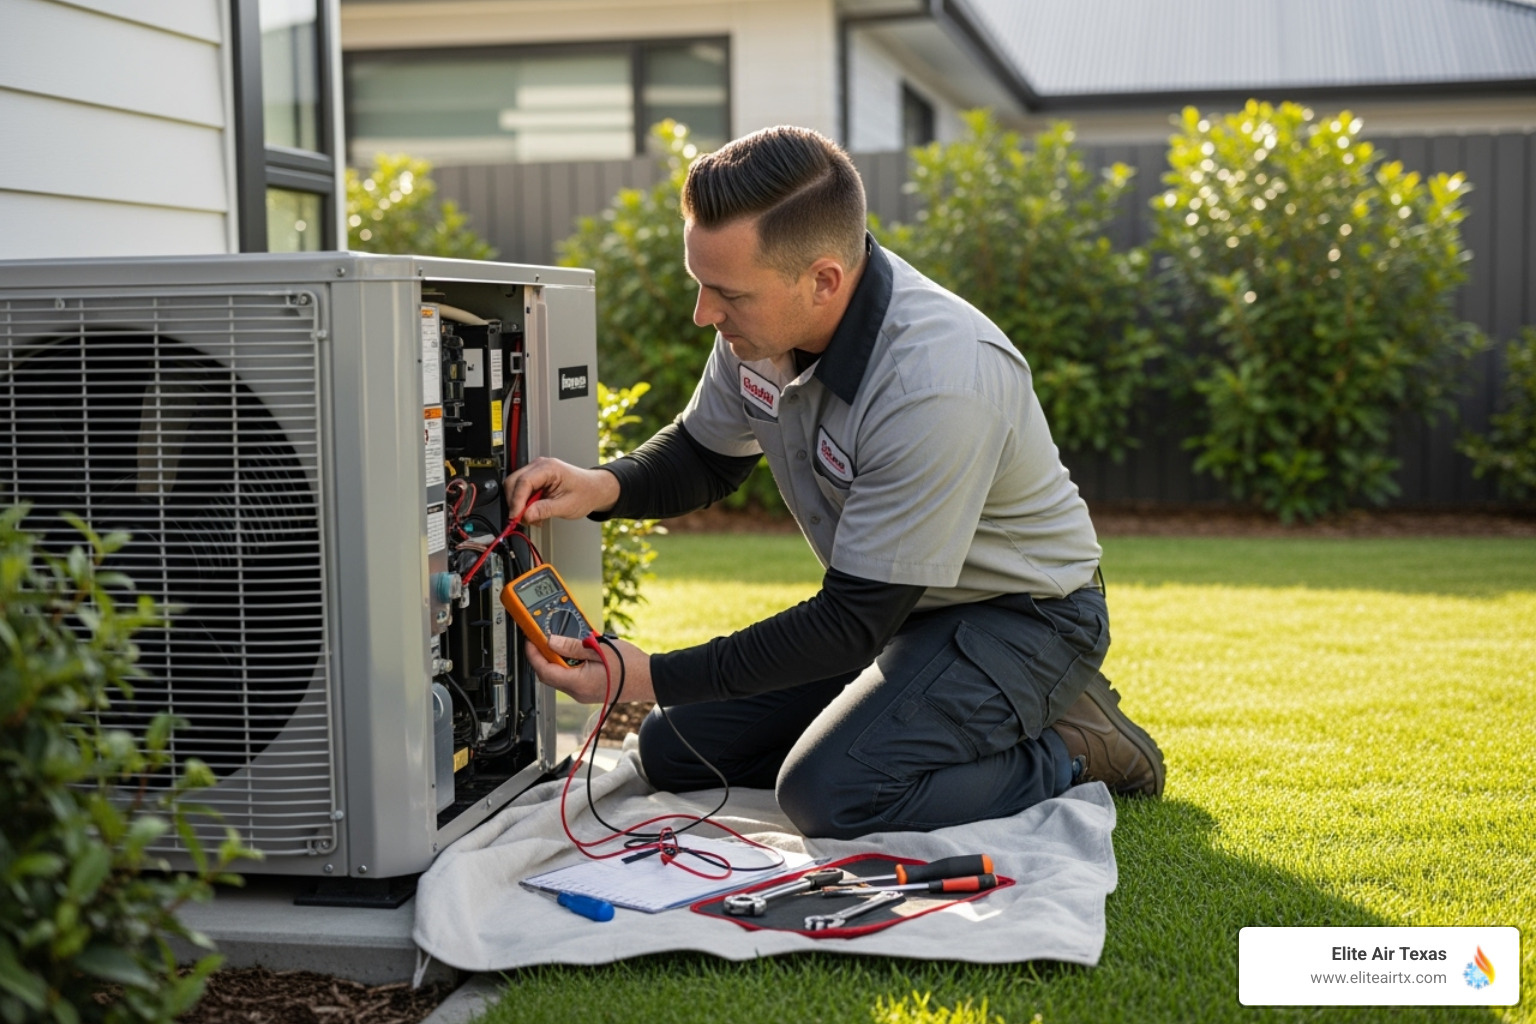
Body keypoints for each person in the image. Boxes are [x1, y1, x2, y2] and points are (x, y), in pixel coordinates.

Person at [504, 125, 1164, 840]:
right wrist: (600, 486)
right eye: (700, 284)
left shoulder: (937, 380)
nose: (704, 315)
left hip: (1026, 619)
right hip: (906, 614)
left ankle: (1074, 745)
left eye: (726, 293)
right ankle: (903, 718)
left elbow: (849, 625)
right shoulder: (760, 332)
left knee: (831, 794)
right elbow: (705, 455)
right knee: (672, 749)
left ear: (823, 280)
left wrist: (648, 676)